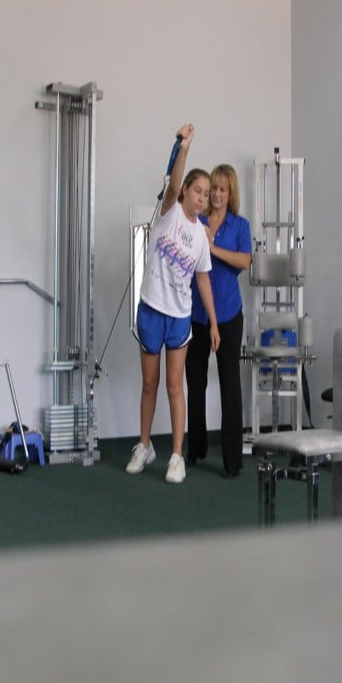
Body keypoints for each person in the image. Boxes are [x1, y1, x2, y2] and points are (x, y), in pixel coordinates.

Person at [126, 124, 220, 483]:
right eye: (197, 190)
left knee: (174, 385)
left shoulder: (201, 236)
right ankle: (145, 445)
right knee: (149, 383)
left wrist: (213, 323)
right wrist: (185, 148)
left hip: (179, 316)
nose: (202, 197)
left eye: (206, 194)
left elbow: (203, 279)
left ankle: (176, 456)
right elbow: (175, 179)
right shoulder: (170, 212)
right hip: (152, 308)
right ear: (184, 192)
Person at [185, 164, 252, 477]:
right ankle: (195, 449)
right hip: (196, 315)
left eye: (223, 189)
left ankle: (232, 460)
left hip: (229, 315)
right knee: (195, 383)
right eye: (214, 188)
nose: (216, 194)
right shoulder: (196, 221)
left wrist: (212, 248)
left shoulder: (240, 226)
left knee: (230, 386)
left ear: (230, 193)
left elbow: (245, 260)